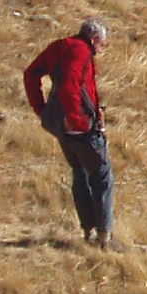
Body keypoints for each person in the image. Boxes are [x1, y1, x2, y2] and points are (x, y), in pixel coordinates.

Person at [23, 17, 116, 248]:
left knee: (80, 173)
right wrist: (78, 120)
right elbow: (69, 86)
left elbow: (31, 73)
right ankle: (104, 237)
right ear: (94, 40)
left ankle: (88, 231)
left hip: (60, 125)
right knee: (102, 176)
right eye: (103, 44)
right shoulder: (81, 52)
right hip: (80, 127)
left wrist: (42, 109)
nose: (102, 49)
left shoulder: (60, 46)